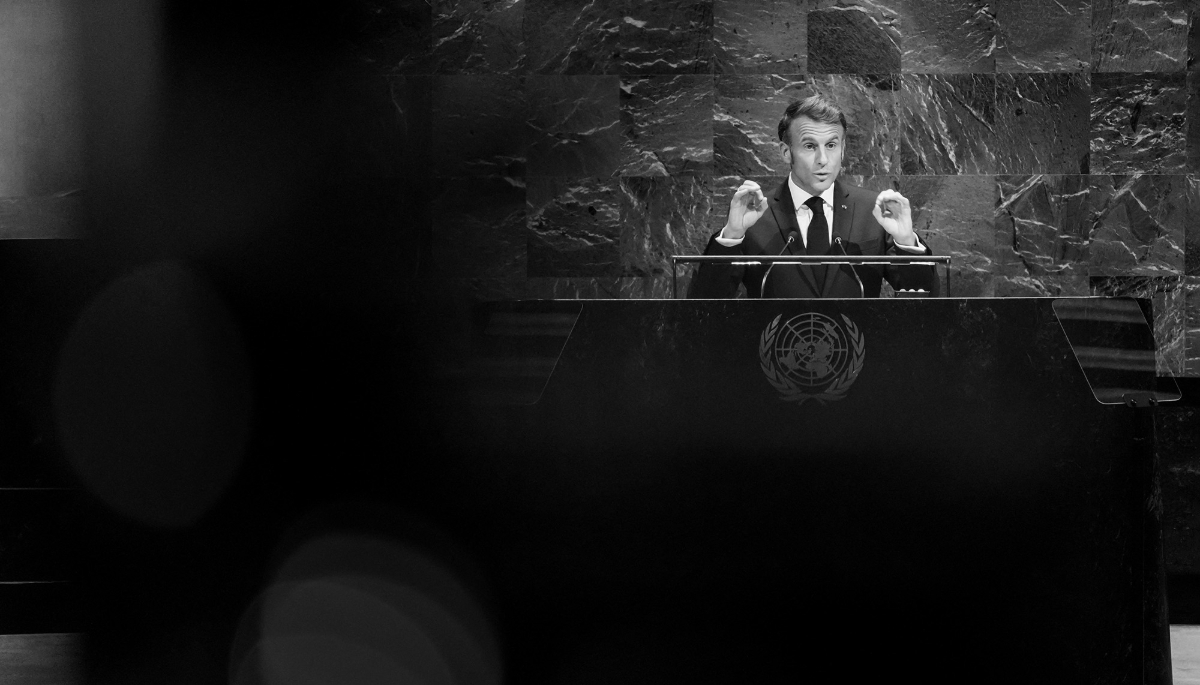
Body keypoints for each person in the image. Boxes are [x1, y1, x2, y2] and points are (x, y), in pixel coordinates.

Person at [688, 95, 937, 299]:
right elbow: (704, 304)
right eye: (809, 146)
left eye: (831, 145)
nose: (823, 160)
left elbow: (925, 300)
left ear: (843, 150)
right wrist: (732, 235)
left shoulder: (872, 211)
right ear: (786, 152)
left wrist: (905, 240)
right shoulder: (755, 217)